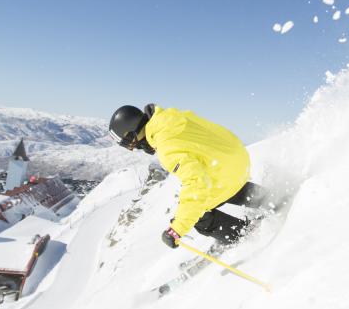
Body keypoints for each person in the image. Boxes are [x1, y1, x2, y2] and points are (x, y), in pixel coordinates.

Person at [109, 104, 275, 249]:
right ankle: (270, 199)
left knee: (200, 215)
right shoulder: (171, 118)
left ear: (132, 134)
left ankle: (243, 234)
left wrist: (177, 229)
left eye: (131, 144)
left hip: (226, 172)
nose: (136, 148)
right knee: (216, 184)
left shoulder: (165, 146)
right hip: (237, 159)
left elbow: (196, 184)